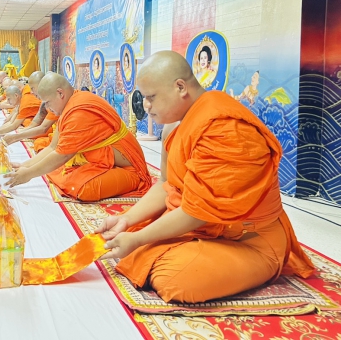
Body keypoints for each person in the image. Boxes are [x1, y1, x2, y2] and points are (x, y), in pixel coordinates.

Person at [96, 51, 314, 303]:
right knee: (136, 243)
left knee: (172, 279)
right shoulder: (176, 124)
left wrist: (137, 239)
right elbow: (167, 185)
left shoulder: (225, 127)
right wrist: (126, 219)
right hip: (205, 226)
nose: (146, 106)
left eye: (151, 97)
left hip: (249, 240)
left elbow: (198, 212)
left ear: (180, 87)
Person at [5, 73, 151, 202]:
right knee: (55, 167)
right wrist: (25, 166)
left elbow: (62, 155)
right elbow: (53, 147)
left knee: (82, 188)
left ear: (60, 93)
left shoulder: (78, 111)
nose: (47, 108)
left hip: (128, 169)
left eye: (48, 103)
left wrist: (28, 174)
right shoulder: (70, 104)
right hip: (102, 161)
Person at [2, 72, 58, 153]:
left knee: (39, 141)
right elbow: (34, 124)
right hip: (54, 130)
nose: (31, 92)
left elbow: (43, 128)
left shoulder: (55, 100)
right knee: (38, 141)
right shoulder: (44, 103)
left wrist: (16, 136)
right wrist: (16, 134)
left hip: (61, 135)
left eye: (32, 88)